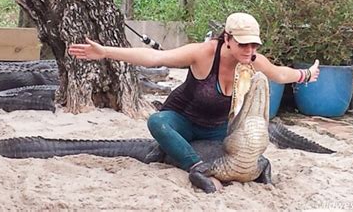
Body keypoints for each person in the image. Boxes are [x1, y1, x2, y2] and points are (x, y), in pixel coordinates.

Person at [68, 12, 319, 174]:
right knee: (157, 122)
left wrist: (306, 75)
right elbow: (155, 58)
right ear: (228, 39)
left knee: (249, 152)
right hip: (183, 122)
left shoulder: (253, 60)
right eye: (244, 43)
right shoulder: (203, 53)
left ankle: (186, 156)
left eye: (254, 44)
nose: (249, 49)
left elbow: (279, 74)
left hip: (218, 128)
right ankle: (196, 167)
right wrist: (105, 52)